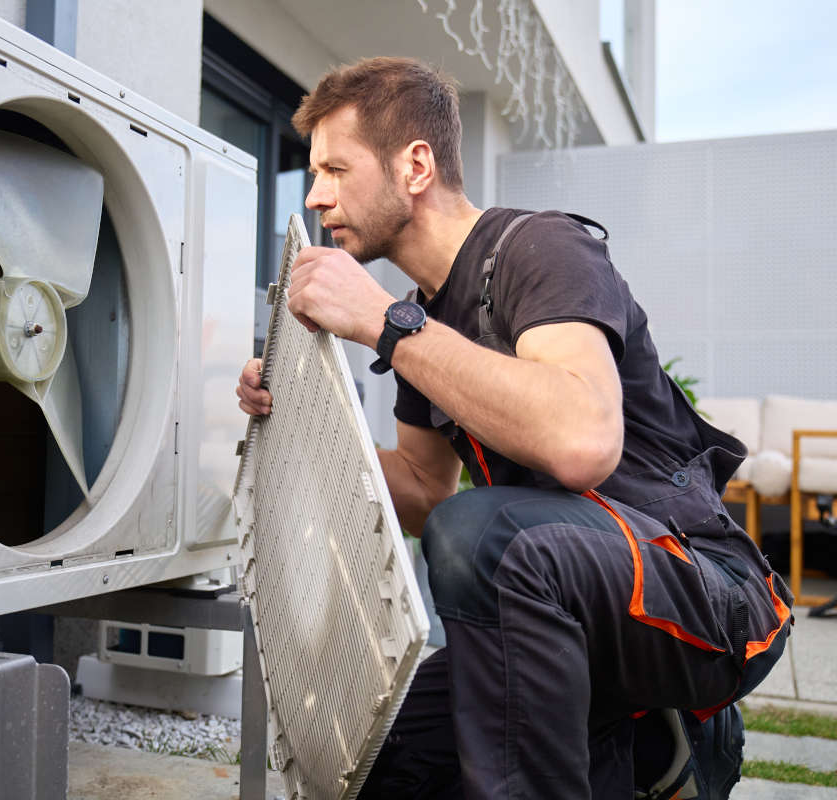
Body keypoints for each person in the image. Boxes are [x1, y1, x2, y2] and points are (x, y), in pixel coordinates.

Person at [235, 56, 792, 799]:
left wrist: (381, 320)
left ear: (416, 166)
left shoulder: (539, 249)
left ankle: (671, 734)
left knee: (489, 535)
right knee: (382, 753)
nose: (315, 194)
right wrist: (298, 420)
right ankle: (634, 747)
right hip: (564, 603)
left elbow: (583, 441)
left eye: (336, 169)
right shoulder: (422, 321)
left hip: (708, 597)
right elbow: (427, 492)